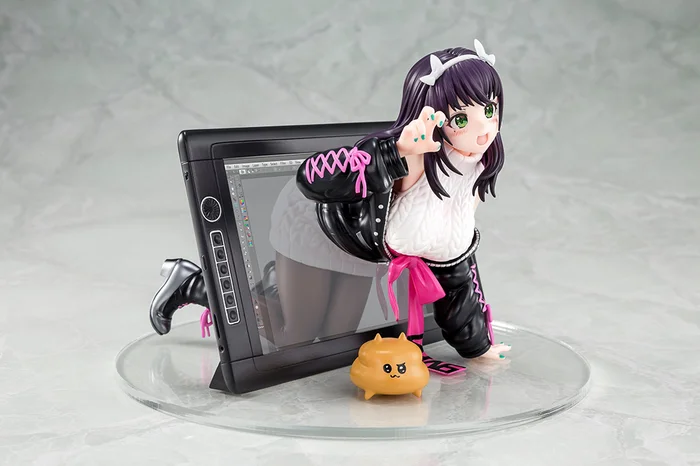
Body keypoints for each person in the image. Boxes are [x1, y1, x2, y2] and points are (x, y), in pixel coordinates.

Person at [295, 39, 511, 361]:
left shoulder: (481, 162)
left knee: (454, 289)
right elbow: (311, 178)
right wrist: (395, 151)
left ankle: (475, 345)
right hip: (347, 236)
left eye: (489, 110)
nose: (483, 130)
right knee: (300, 327)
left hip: (437, 251)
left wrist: (479, 348)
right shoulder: (418, 152)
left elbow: (460, 283)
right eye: (461, 119)